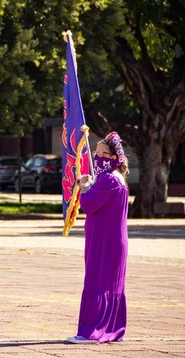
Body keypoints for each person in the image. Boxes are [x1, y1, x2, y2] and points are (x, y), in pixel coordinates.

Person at [67, 131, 129, 344]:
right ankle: (110, 330)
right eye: (96, 152)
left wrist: (83, 185)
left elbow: (89, 203)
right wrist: (90, 184)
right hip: (108, 238)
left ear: (113, 158)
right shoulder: (111, 178)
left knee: (98, 282)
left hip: (106, 241)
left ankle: (93, 332)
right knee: (108, 284)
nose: (96, 157)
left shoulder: (110, 178)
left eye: (102, 153)